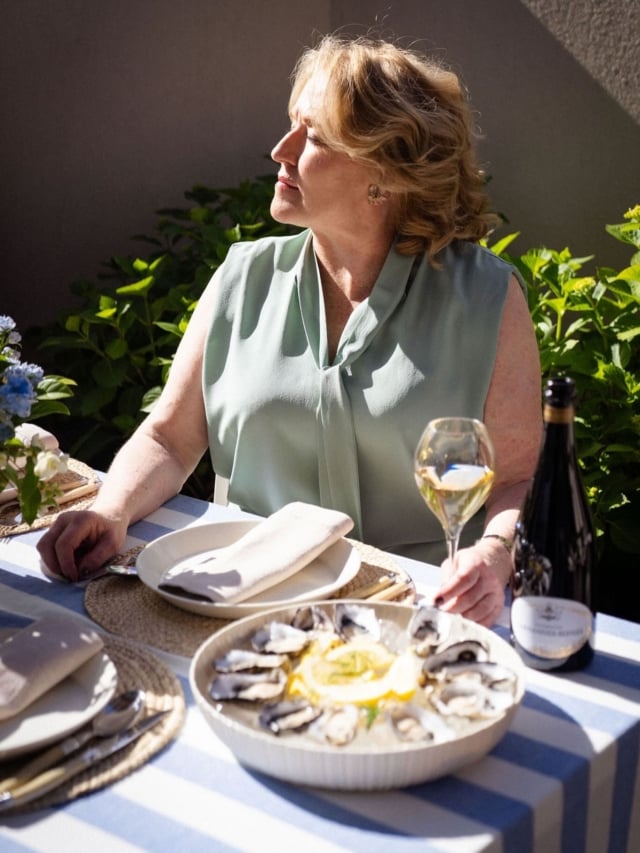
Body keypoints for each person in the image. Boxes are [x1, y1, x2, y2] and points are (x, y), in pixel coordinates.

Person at [38, 34, 542, 628]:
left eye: (314, 137)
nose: (281, 149)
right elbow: (169, 440)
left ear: (385, 173)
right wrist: (112, 510)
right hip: (242, 605)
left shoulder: (485, 298)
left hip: (416, 612)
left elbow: (516, 478)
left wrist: (493, 554)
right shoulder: (242, 278)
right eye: (289, 125)